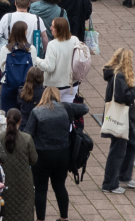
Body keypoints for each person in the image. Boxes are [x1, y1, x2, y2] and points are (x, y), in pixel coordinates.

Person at [22, 87, 88, 221]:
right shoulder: (65, 108)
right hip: (63, 154)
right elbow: (85, 108)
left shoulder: (36, 112)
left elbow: (28, 134)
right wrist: (67, 106)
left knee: (41, 189)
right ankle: (64, 218)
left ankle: (40, 219)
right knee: (60, 186)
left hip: (42, 156)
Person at [100, 47, 135, 194]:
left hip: (124, 119)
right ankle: (109, 184)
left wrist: (134, 88)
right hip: (120, 119)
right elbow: (123, 97)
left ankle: (123, 175)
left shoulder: (116, 75)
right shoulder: (119, 77)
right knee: (117, 151)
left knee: (133, 144)